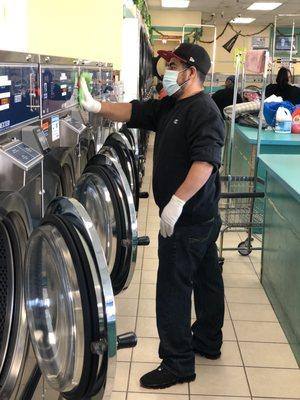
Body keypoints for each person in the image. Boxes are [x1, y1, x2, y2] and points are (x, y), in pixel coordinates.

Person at [80, 43, 225, 390]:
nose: (168, 70)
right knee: (207, 279)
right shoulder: (173, 105)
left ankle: (177, 363)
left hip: (187, 220)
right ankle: (207, 340)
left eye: (174, 64)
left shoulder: (204, 111)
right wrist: (96, 106)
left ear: (191, 72)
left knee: (173, 288)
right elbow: (133, 112)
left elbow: (204, 163)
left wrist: (175, 204)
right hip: (201, 218)